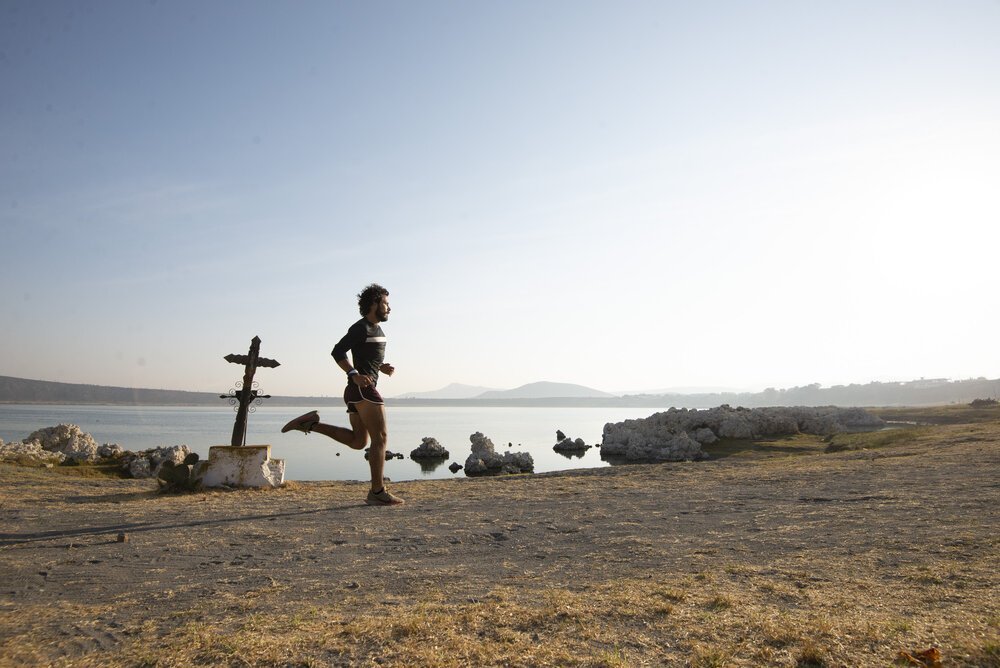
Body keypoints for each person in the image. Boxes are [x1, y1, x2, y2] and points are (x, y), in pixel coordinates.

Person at [281, 283, 404, 506]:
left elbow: (367, 356)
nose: (389, 308)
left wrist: (380, 367)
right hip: (361, 389)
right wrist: (354, 373)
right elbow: (338, 351)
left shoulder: (378, 330)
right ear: (374, 303)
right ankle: (377, 492)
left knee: (359, 442)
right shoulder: (361, 327)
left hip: (355, 390)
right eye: (386, 303)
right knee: (381, 438)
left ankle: (310, 424)